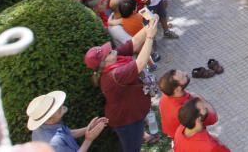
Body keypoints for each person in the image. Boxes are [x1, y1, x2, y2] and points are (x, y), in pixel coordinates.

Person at [85, 18, 159, 150]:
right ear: (103, 63)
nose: (112, 49)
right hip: (127, 120)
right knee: (132, 148)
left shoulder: (114, 58)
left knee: (128, 144)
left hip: (132, 113)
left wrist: (149, 24)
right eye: (107, 52)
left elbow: (134, 43)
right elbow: (140, 63)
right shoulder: (114, 75)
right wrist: (150, 37)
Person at [26, 89, 108, 152]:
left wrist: (89, 128)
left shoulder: (42, 126)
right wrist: (89, 139)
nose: (62, 105)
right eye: (57, 107)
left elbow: (66, 133)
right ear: (49, 118)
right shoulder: (54, 143)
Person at [158, 69, 218, 140]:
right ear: (177, 89)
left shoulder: (166, 95)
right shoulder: (188, 110)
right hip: (189, 137)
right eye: (183, 77)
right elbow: (214, 118)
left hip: (173, 132)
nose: (186, 73)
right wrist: (200, 99)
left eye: (182, 72)